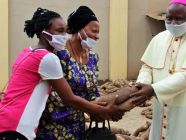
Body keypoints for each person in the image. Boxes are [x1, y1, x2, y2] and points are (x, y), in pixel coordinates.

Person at [0, 8, 124, 140]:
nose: (64, 35)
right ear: (44, 33)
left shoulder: (28, 52)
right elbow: (68, 98)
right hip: (24, 127)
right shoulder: (50, 57)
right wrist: (103, 111)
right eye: (60, 31)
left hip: (12, 122)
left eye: (65, 30)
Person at [130, 0, 186, 140]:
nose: (173, 23)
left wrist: (152, 89)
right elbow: (147, 67)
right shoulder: (158, 39)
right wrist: (141, 83)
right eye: (169, 18)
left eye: (178, 19)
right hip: (161, 110)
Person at [36, 6, 105, 140]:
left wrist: (99, 106)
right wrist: (96, 109)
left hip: (78, 126)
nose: (97, 36)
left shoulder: (93, 57)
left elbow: (93, 90)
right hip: (53, 125)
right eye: (94, 31)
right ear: (80, 29)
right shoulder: (59, 55)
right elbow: (57, 96)